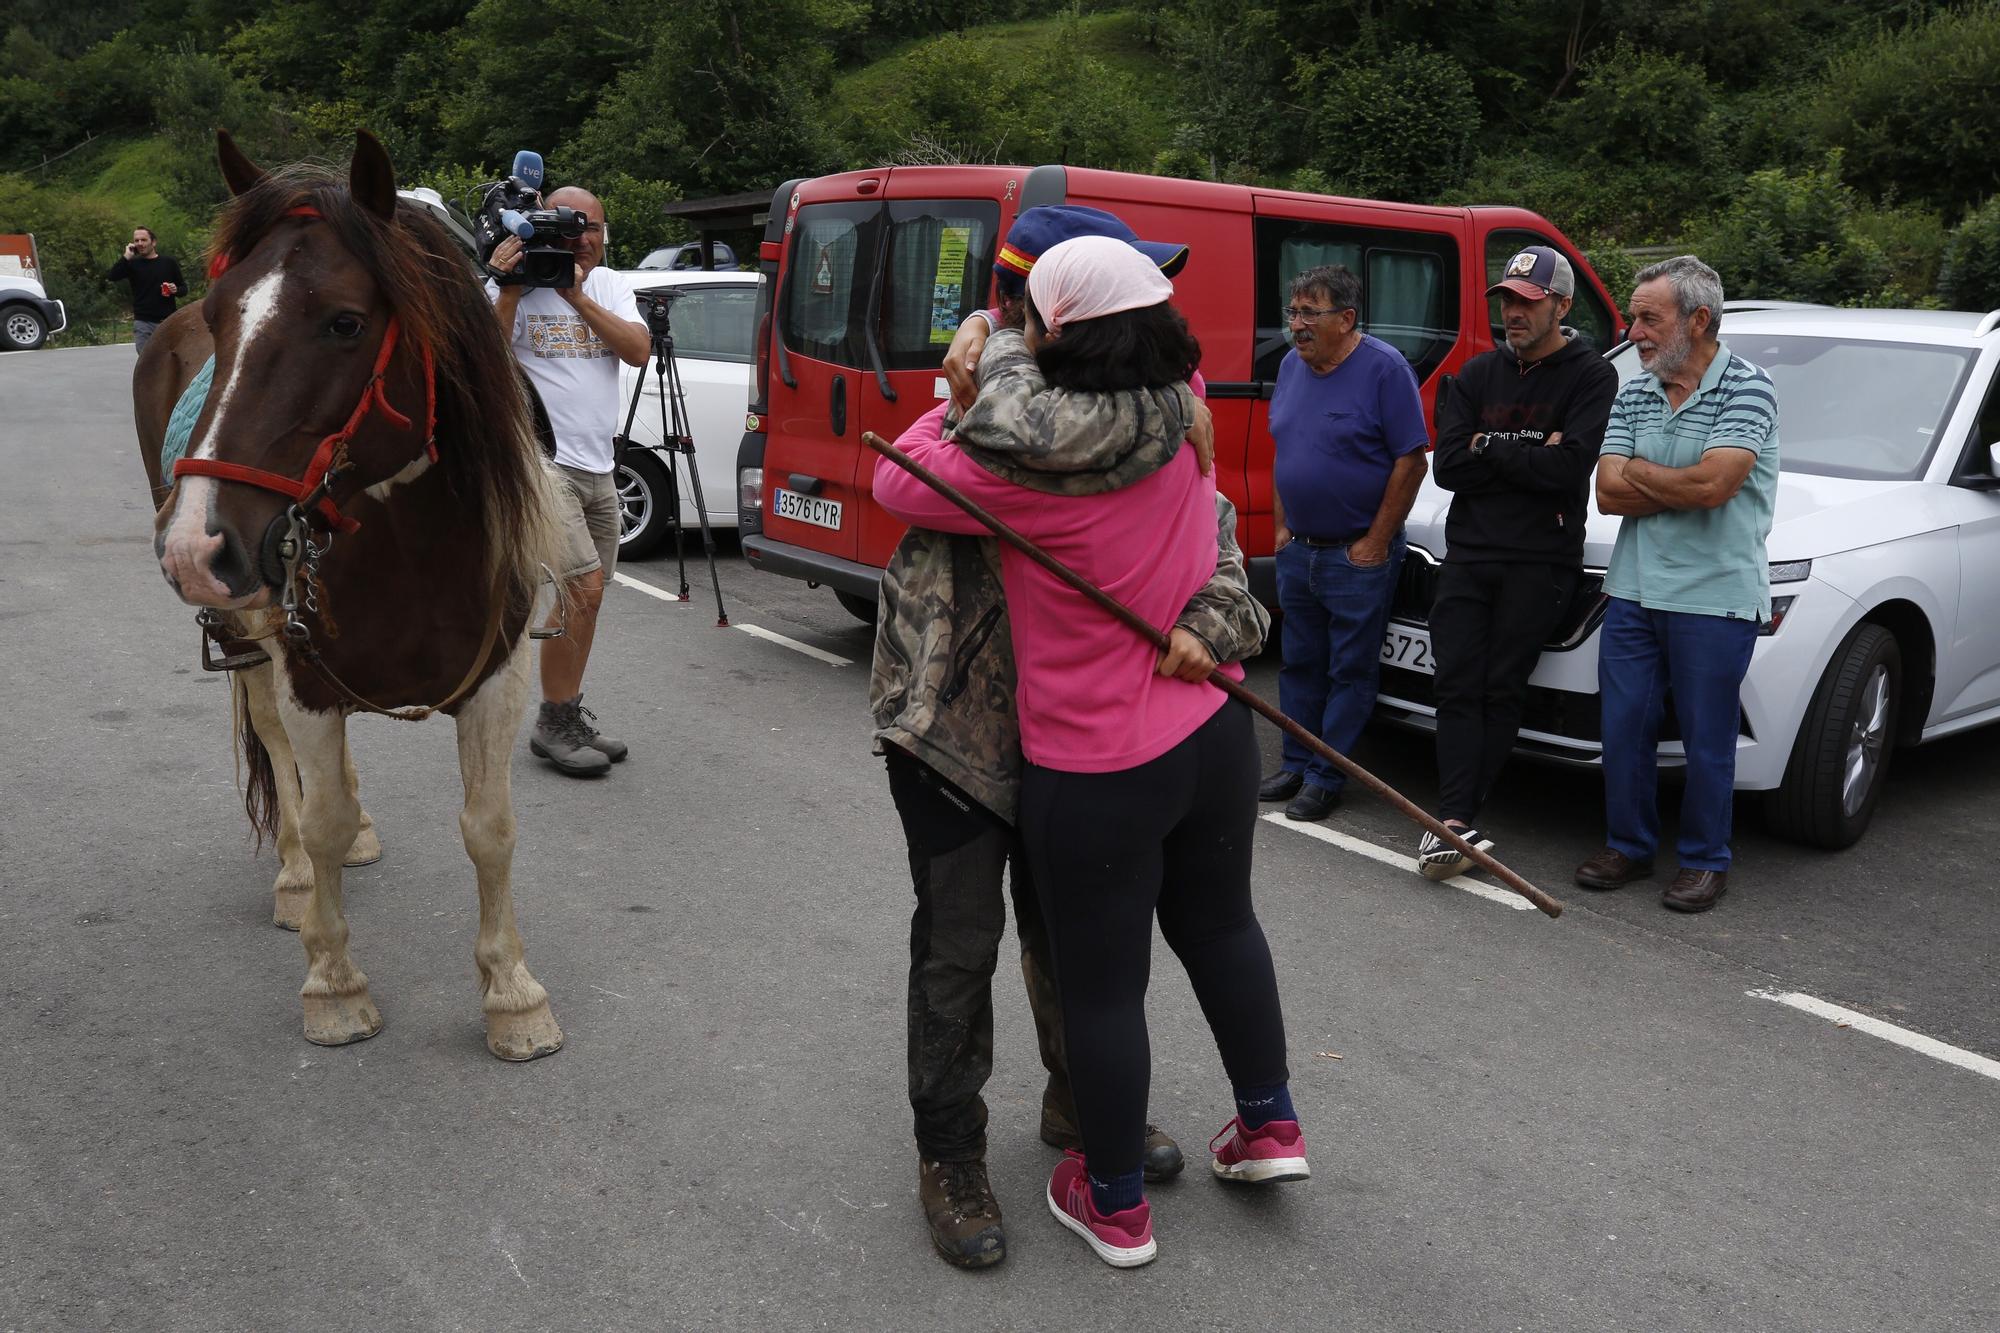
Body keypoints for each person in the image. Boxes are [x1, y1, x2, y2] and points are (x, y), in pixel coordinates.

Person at [876, 236, 1304, 1271]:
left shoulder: (1011, 459)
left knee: (1088, 970)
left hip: (1092, 752)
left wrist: (967, 374)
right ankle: (955, 1154)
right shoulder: (1181, 406)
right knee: (965, 947)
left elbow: (904, 476)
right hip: (969, 731)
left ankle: (1099, 1156)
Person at [1579, 255, 1779, 913]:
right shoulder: (1634, 390)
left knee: (1706, 736)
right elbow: (1607, 494)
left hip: (1715, 596)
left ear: (1698, 320)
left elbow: (1716, 485)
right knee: (1624, 726)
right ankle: (1629, 846)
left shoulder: (1748, 387)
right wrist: (1682, 484)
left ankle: (1703, 860)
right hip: (1634, 588)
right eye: (1633, 317)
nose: (1633, 331)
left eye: (1647, 318)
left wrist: (1644, 471)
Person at [1421, 246, 1620, 879]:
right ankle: (1454, 820)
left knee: (1501, 685)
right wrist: (1529, 447)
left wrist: (1489, 444)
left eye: (1527, 303)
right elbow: (1448, 466)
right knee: (1454, 681)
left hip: (1541, 558)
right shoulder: (1479, 373)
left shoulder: (1590, 375)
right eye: (1506, 300)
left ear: (1561, 305)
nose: (1512, 313)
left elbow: (1570, 468)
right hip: (1471, 551)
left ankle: (1461, 814)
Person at [487, 186, 648, 777]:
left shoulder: (607, 285)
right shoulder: (515, 284)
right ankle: (554, 724)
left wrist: (575, 295)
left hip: (600, 467)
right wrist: (508, 289)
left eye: (594, 229)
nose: (583, 240)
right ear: (544, 231)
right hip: (540, 464)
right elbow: (484, 362)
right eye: (571, 229)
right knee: (583, 588)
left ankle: (562, 711)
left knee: (590, 595)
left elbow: (636, 351)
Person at [1260, 264, 1431, 822]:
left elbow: (1411, 460)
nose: (1297, 324)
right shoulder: (1291, 366)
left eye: (1311, 312)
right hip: (1301, 549)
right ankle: (1294, 761)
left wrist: (1376, 542)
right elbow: (1285, 449)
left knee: (1349, 671)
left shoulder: (1384, 370)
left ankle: (1326, 775)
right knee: (1299, 662)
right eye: (1294, 311)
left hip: (1356, 555)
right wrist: (1282, 529)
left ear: (1347, 318)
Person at [108, 227, 185, 356]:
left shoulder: (168, 262)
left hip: (167, 320)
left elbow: (184, 289)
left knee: (169, 359)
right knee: (147, 361)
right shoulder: (132, 264)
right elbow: (112, 276)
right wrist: (127, 256)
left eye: (143, 240)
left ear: (153, 242)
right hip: (143, 322)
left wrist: (175, 289)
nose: (140, 243)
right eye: (136, 240)